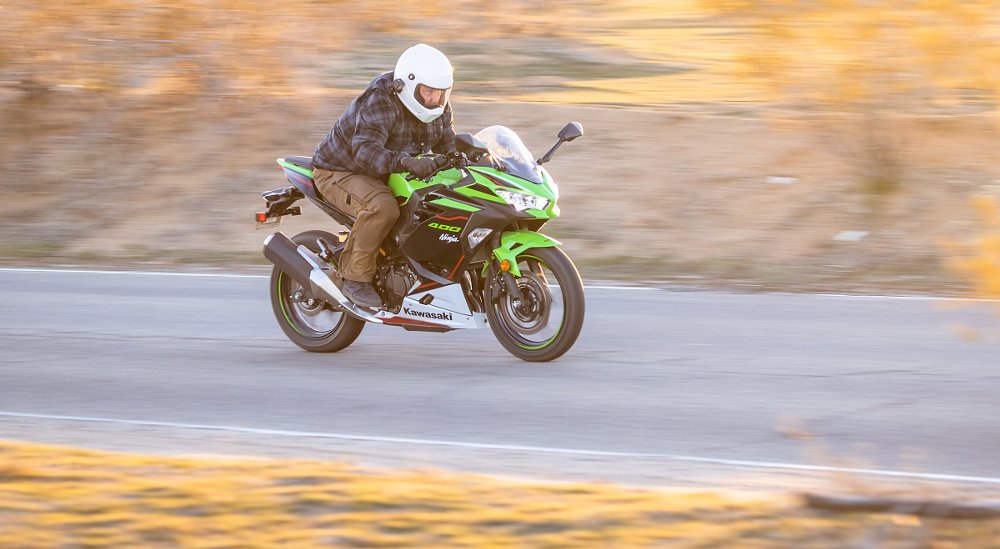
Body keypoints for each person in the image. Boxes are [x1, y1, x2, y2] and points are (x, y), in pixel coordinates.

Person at [311, 44, 457, 308]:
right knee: (382, 207)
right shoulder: (381, 100)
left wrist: (476, 157)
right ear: (409, 85)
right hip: (342, 170)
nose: (434, 99)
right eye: (428, 92)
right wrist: (407, 162)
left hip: (388, 171)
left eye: (440, 92)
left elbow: (449, 146)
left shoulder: (438, 106)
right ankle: (354, 278)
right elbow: (365, 151)